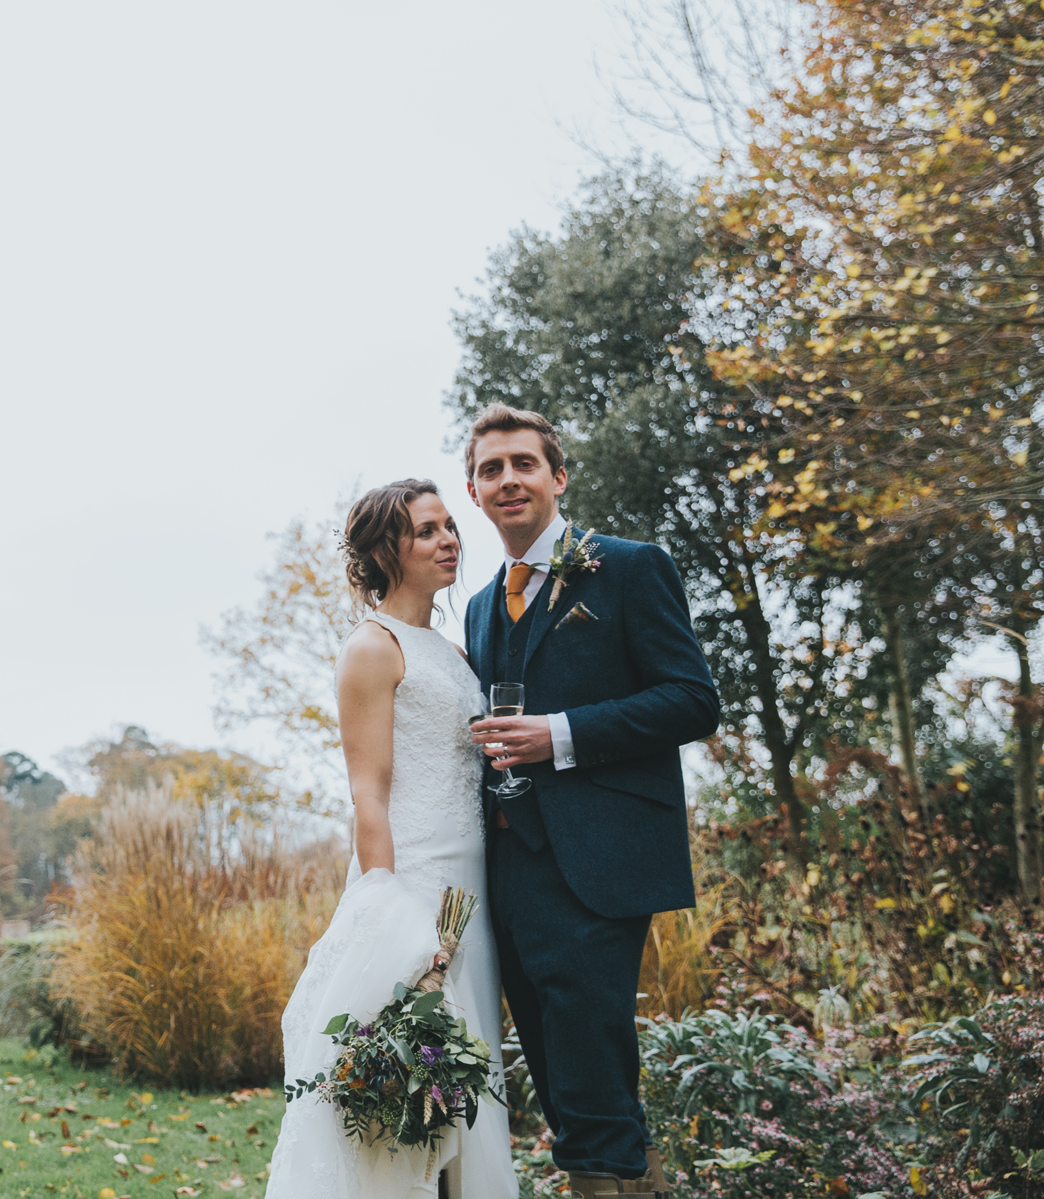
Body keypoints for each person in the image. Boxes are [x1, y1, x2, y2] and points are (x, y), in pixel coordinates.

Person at [461, 405, 718, 1198]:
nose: (508, 479)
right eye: (491, 469)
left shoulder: (630, 568)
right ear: (474, 492)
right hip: (508, 865)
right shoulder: (476, 605)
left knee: (593, 1071)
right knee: (551, 1065)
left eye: (524, 464)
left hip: (598, 864)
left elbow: (692, 700)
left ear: (558, 476)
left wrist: (559, 734)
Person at [267, 479, 517, 1199]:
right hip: (412, 887)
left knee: (465, 1086)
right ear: (386, 550)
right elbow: (368, 792)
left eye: (449, 526)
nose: (450, 539)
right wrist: (390, 917)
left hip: (471, 890)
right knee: (406, 1097)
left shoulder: (452, 649)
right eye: (427, 530)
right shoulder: (371, 648)